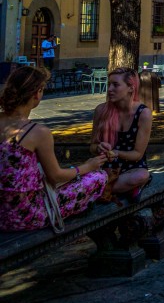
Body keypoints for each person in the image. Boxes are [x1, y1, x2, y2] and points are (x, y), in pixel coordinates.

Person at [0, 66, 109, 231]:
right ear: (37, 93)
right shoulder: (37, 132)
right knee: (99, 176)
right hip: (23, 214)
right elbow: (55, 176)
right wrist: (88, 166)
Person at [90, 68, 152, 198]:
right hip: (105, 167)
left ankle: (97, 190)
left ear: (130, 87)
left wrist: (117, 153)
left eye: (115, 85)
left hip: (132, 167)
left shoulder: (143, 113)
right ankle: (116, 189)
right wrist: (99, 147)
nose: (110, 89)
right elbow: (92, 147)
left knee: (141, 175)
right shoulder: (101, 111)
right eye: (109, 85)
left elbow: (138, 154)